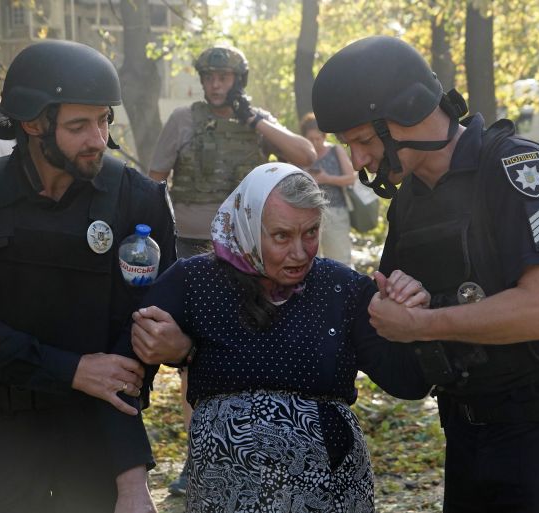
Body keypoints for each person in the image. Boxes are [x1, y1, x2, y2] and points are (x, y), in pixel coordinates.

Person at [311, 35, 539, 513]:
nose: (357, 161)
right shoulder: (411, 203)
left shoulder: (515, 168)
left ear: (408, 112)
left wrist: (423, 323)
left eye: (364, 141)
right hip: (470, 434)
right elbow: (401, 338)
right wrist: (394, 305)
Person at [0, 40, 176, 513]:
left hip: (95, 432)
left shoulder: (137, 199)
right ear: (33, 124)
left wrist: (131, 474)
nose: (98, 139)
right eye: (79, 126)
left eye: (104, 120)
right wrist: (73, 370)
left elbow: (148, 324)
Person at [130, 162, 432, 512]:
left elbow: (409, 382)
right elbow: (125, 376)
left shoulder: (342, 288)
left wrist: (415, 320)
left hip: (330, 492)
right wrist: (132, 484)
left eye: (311, 232)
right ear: (246, 227)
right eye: (281, 236)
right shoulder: (195, 282)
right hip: (228, 495)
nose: (300, 253)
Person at [147, 44, 316, 494]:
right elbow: (154, 181)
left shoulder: (256, 120)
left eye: (223, 77)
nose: (215, 84)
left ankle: (256, 445)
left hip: (246, 255)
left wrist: (255, 121)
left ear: (238, 81)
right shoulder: (184, 119)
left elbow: (305, 156)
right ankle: (198, 457)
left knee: (250, 349)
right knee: (193, 357)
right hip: (190, 249)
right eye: (209, 76)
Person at [300, 112, 357, 266]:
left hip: (335, 212)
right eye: (310, 139)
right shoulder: (300, 156)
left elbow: (351, 178)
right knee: (310, 261)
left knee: (340, 260)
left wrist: (326, 179)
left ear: (324, 136)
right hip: (306, 215)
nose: (314, 142)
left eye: (318, 138)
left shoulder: (335, 150)